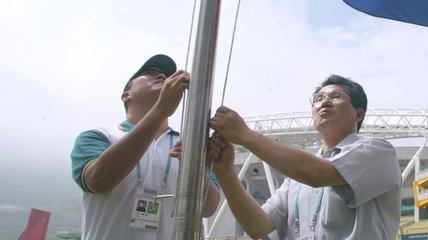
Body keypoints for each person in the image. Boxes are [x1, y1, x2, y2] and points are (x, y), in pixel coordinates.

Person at [208, 75, 401, 239]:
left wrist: (246, 135)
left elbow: (318, 174)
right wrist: (225, 172)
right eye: (318, 98)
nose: (324, 102)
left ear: (358, 114)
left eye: (336, 96)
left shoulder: (378, 152)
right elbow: (258, 226)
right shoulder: (295, 180)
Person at [71, 54, 220, 240]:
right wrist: (160, 111)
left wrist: (195, 167)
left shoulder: (191, 144)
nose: (162, 77)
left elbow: (209, 207)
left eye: (165, 75)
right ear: (126, 96)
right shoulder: (100, 136)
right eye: (151, 73)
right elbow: (97, 181)